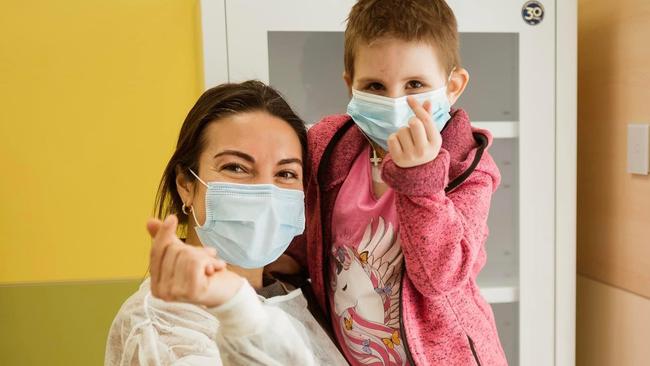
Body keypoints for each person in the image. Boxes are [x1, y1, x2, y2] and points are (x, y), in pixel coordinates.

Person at [268, 0, 507, 364]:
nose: (396, 102)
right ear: (351, 86)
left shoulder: (469, 169)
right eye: (375, 86)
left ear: (452, 86)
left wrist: (420, 179)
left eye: (415, 84)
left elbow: (438, 278)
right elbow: (310, 232)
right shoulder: (328, 149)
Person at [105, 81, 347, 366]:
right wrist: (237, 309)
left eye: (285, 173)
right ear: (185, 185)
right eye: (236, 168)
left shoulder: (295, 293)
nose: (265, 193)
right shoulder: (161, 326)